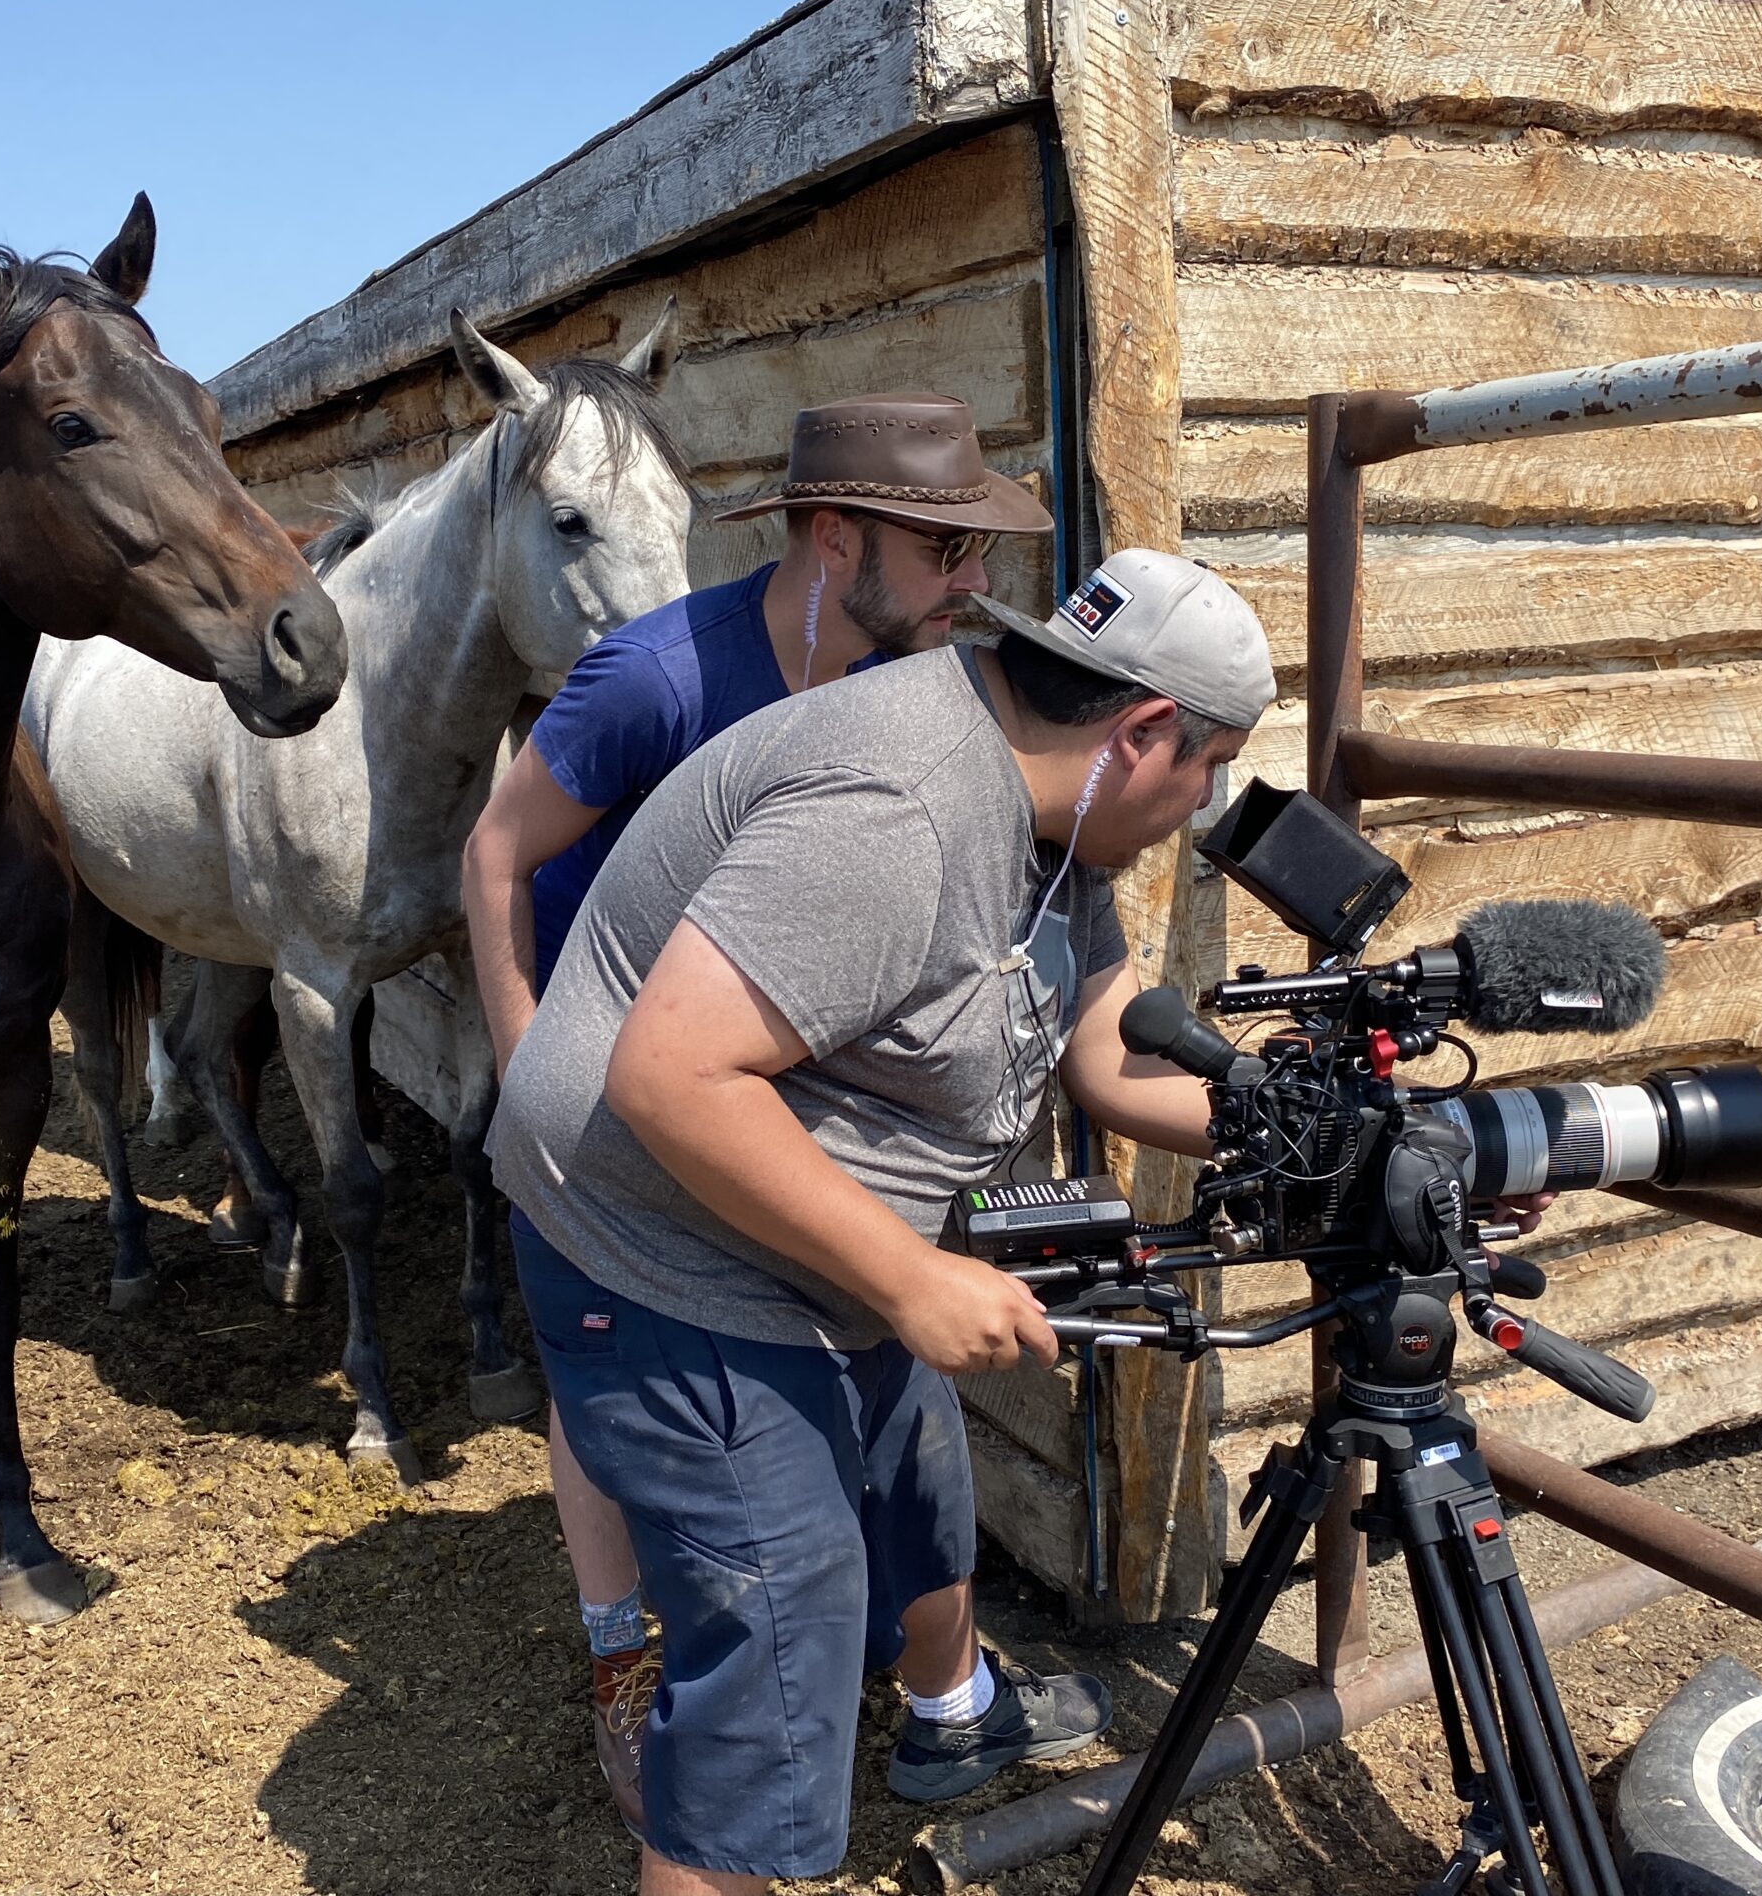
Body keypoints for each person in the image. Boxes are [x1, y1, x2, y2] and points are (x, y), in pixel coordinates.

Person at [488, 546, 1281, 1894]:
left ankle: (949, 1719)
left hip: (797, 1227)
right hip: (663, 1245)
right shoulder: (899, 808)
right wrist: (912, 1280)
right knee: (772, 1647)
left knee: (915, 1481)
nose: (1204, 802)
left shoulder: (1057, 817)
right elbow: (670, 1076)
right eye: (1209, 766)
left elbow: (1102, 1053)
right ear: (1145, 731)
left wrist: (1304, 1123)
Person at [461, 393, 1052, 1835]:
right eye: (946, 547)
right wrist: (541, 1072)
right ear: (836, 536)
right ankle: (624, 1651)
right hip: (612, 1083)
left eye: (978, 547)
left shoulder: (924, 684)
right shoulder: (660, 680)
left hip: (750, 1077)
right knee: (601, 1358)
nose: (975, 578)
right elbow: (494, 854)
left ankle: (912, 1677)